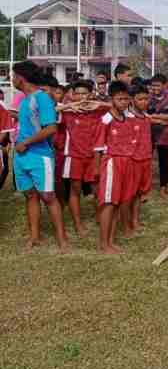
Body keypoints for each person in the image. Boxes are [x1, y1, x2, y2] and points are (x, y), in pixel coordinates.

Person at [12, 61, 70, 253]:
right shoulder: (23, 100)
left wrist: (26, 143)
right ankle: (35, 237)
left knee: (48, 197)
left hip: (39, 156)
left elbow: (51, 128)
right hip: (21, 156)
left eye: (13, 76)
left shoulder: (42, 99)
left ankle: (62, 240)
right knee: (30, 195)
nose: (12, 80)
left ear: (21, 77)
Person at [94, 81, 136, 254]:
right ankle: (103, 243)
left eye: (126, 99)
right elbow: (97, 147)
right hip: (112, 162)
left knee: (118, 203)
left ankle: (110, 241)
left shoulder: (128, 117)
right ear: (112, 99)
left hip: (127, 162)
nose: (124, 102)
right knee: (109, 202)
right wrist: (96, 169)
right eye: (120, 99)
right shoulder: (106, 119)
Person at [61, 80, 106, 237]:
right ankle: (78, 224)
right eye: (77, 93)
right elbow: (50, 110)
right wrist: (68, 106)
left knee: (96, 189)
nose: (81, 97)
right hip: (74, 156)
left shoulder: (98, 111)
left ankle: (100, 216)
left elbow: (116, 107)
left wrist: (95, 103)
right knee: (75, 190)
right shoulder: (67, 112)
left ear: (90, 94)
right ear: (72, 95)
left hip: (93, 156)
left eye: (84, 93)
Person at [126, 85, 153, 236]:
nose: (144, 102)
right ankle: (126, 222)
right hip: (133, 160)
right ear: (132, 100)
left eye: (146, 99)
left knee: (138, 193)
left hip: (145, 158)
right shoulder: (127, 117)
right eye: (140, 99)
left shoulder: (146, 117)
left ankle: (135, 220)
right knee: (129, 193)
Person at [147, 74, 168, 199]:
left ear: (164, 85)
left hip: (165, 135)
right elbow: (144, 115)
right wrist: (159, 120)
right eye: (153, 86)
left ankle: (163, 187)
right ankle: (146, 187)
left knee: (164, 162)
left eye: (157, 85)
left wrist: (154, 117)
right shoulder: (148, 98)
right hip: (149, 134)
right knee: (146, 161)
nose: (155, 88)